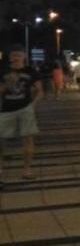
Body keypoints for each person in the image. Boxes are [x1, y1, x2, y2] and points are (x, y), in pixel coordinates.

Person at [0, 47, 44, 180]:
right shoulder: (3, 70)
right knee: (1, 140)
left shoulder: (31, 71)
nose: (16, 58)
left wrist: (33, 106)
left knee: (28, 139)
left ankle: (27, 170)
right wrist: (8, 84)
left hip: (25, 108)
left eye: (19, 55)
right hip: (6, 109)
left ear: (24, 56)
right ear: (10, 57)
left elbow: (40, 90)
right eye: (14, 55)